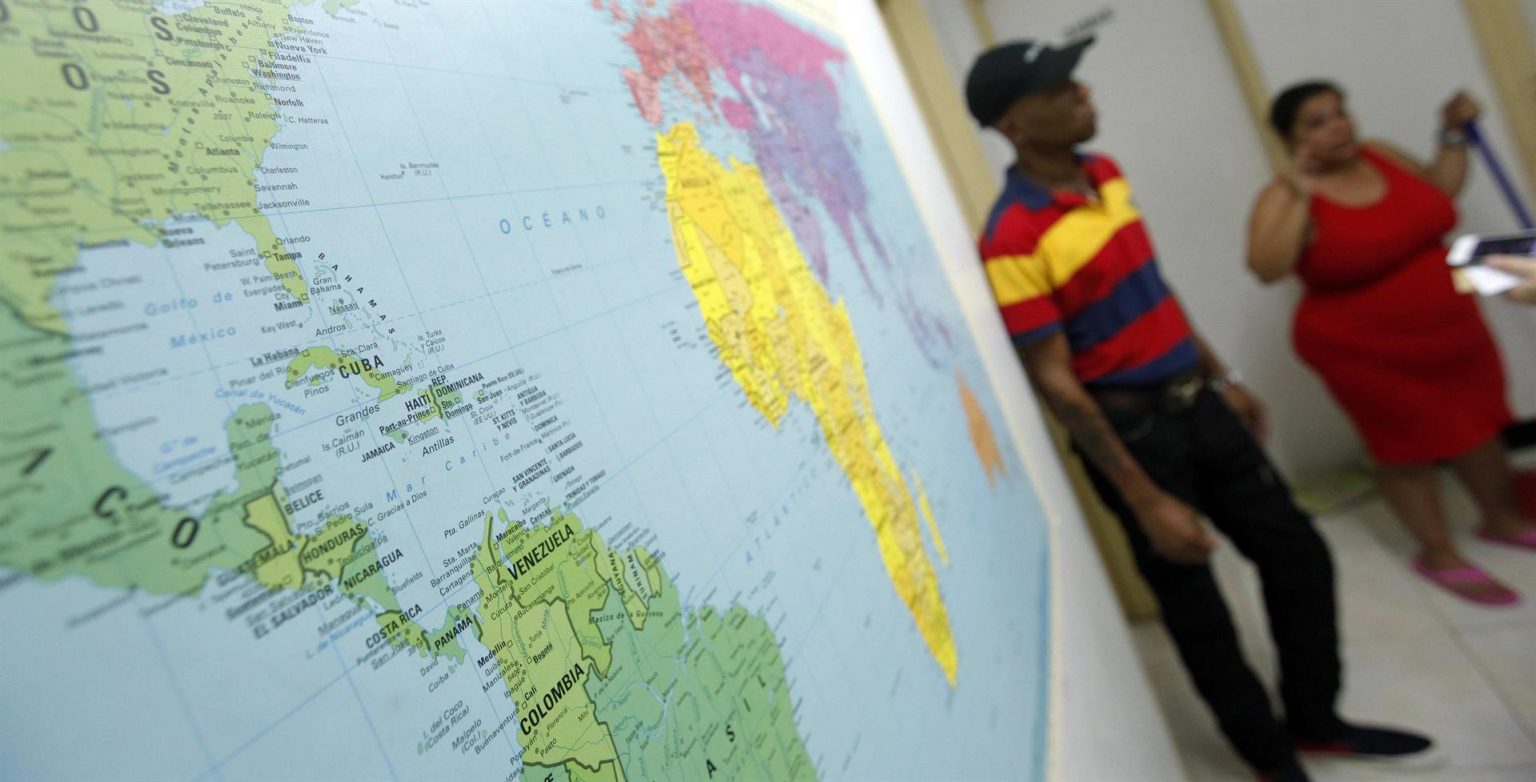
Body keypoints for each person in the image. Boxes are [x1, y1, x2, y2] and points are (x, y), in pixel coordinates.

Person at [966, 39, 1432, 782]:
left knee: (1298, 555)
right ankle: (1272, 763)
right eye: (1060, 89)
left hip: (1197, 401)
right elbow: (1056, 382)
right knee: (1200, 614)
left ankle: (1316, 722)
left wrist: (1223, 375)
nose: (1083, 92)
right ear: (1015, 123)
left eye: (1076, 79)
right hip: (1134, 435)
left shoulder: (1105, 174)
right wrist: (1146, 500)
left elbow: (1153, 286)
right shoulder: (1011, 236)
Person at [1246, 81, 1536, 605]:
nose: (1338, 127)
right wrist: (1299, 188)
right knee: (1406, 449)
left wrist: (1451, 137)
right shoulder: (1285, 195)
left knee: (1478, 426)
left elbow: (1438, 192)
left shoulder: (1381, 155)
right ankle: (1438, 553)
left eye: (1340, 113)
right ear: (1290, 140)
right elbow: (1266, 267)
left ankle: (1502, 518)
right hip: (1366, 350)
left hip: (1453, 328)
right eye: (1317, 122)